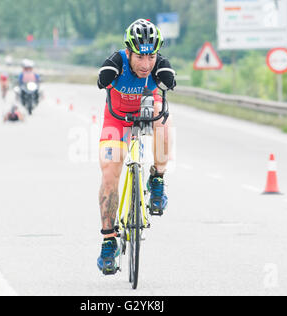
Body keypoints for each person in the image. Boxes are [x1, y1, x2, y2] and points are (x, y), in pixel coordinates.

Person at [96, 19, 176, 274]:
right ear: (128, 52)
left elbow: (168, 77)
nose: (146, 65)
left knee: (164, 119)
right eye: (140, 57)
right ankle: (109, 240)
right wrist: (104, 77)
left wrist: (169, 77)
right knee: (109, 176)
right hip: (116, 120)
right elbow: (104, 73)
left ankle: (157, 180)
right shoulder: (117, 61)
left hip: (146, 113)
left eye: (151, 57)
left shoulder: (157, 64)